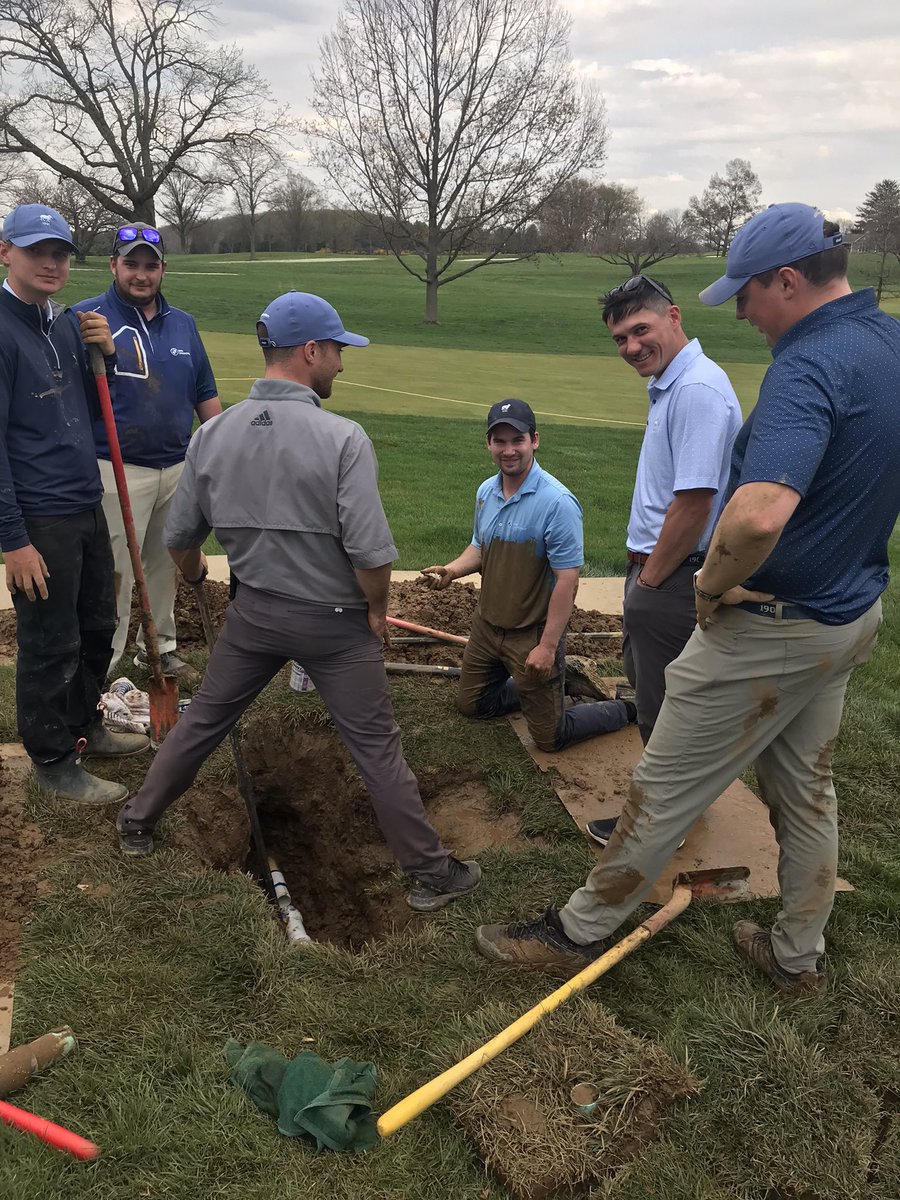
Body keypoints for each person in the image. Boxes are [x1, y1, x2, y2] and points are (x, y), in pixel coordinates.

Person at [474, 203, 900, 995]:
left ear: (788, 280)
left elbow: (757, 508)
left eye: (747, 293)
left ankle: (575, 932)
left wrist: (708, 583)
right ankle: (795, 955)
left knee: (662, 786)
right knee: (806, 789)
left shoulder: (808, 364)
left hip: (771, 620)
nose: (741, 311)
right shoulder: (888, 343)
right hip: (849, 614)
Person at [116, 290, 482, 913]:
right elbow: (370, 553)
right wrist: (375, 609)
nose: (342, 363)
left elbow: (180, 540)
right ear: (310, 350)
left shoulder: (213, 434)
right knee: (376, 749)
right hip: (335, 626)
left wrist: (191, 575)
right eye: (337, 350)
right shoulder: (343, 438)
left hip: (254, 615)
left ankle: (137, 823)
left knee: (204, 720)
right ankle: (428, 873)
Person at [584, 275, 742, 848]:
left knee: (665, 706)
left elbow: (696, 502)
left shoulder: (697, 389)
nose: (630, 347)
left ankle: (657, 828)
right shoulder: (675, 385)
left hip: (672, 573)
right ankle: (669, 814)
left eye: (640, 330)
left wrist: (648, 583)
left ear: (674, 317)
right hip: (662, 569)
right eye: (619, 338)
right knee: (655, 692)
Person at [0, 204, 149, 805]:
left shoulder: (62, 322)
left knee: (97, 626)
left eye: (59, 253)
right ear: (5, 251)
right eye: (37, 251)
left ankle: (83, 725)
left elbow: (87, 410)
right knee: (49, 640)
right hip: (40, 516)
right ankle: (53, 761)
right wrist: (12, 539)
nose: (51, 262)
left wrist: (104, 358)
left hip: (84, 500)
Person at [420, 399, 636, 753]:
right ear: (488, 444)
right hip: (487, 627)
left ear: (534, 440)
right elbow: (479, 547)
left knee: (550, 738)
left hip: (531, 635)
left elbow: (568, 580)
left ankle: (627, 708)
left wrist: (548, 648)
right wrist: (452, 571)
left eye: (516, 440)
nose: (508, 450)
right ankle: (557, 685)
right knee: (472, 705)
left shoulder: (557, 503)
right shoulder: (485, 492)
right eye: (499, 441)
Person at [71, 223, 221, 683]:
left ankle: (160, 647)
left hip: (176, 466)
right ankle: (105, 661)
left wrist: (224, 448)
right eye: (131, 264)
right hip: (114, 467)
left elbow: (204, 394)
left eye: (150, 266)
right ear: (113, 265)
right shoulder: (84, 318)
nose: (141, 274)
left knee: (165, 561)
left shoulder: (184, 324)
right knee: (114, 570)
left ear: (163, 269)